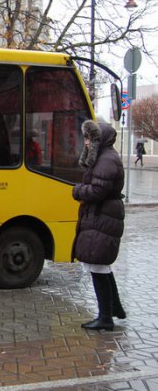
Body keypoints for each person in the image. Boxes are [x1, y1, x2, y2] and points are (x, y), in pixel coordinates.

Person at [72, 119, 126, 331]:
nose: (85, 142)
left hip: (103, 216)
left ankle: (105, 318)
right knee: (100, 265)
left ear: (98, 139)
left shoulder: (107, 159)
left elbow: (97, 190)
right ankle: (114, 309)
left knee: (98, 266)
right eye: (85, 138)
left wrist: (77, 191)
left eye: (89, 138)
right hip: (101, 215)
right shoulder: (104, 157)